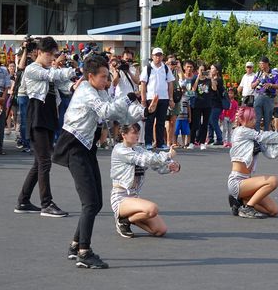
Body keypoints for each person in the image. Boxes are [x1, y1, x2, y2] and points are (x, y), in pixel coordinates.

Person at [53, 55, 158, 269]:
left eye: (107, 76)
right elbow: (107, 111)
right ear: (90, 76)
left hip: (87, 146)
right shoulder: (86, 91)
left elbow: (119, 114)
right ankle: (84, 252)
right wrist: (129, 98)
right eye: (103, 77)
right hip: (74, 146)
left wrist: (144, 111)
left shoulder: (100, 90)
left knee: (96, 202)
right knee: (90, 203)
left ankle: (75, 246)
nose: (106, 80)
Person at [15, 37, 76, 217]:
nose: (52, 58)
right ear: (39, 52)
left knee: (39, 162)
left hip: (48, 117)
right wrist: (72, 70)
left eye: (53, 55)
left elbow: (64, 86)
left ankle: (23, 201)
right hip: (37, 117)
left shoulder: (49, 69)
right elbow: (53, 76)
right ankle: (46, 204)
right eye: (49, 54)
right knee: (44, 162)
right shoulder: (32, 69)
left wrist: (75, 84)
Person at [110, 123, 180, 239]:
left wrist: (171, 166)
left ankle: (128, 219)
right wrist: (167, 155)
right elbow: (146, 160)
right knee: (152, 209)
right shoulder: (120, 150)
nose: (137, 135)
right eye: (133, 133)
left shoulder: (139, 149)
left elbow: (156, 165)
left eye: (138, 132)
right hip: (121, 198)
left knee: (160, 230)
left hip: (134, 197)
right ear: (124, 135)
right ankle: (123, 221)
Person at [227, 106, 278, 219]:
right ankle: (248, 208)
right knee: (273, 181)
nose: (254, 121)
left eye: (254, 118)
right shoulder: (240, 131)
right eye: (251, 119)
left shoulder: (253, 136)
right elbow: (264, 136)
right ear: (243, 120)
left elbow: (269, 152)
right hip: (237, 182)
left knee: (273, 211)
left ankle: (241, 202)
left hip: (247, 182)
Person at [140, 47, 175, 150]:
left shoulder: (166, 68)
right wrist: (143, 100)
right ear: (152, 56)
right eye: (156, 55)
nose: (158, 57)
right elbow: (143, 84)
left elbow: (170, 84)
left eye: (160, 55)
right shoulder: (148, 68)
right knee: (150, 121)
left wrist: (171, 98)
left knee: (161, 121)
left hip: (163, 98)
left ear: (162, 56)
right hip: (151, 98)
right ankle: (148, 143)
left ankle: (160, 143)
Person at [251, 56, 278, 131]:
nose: (261, 65)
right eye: (260, 64)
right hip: (258, 96)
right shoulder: (258, 73)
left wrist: (270, 85)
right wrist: (258, 80)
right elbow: (252, 86)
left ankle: (265, 137)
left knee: (267, 119)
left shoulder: (273, 73)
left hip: (269, 97)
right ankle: (256, 137)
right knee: (257, 118)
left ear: (267, 64)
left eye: (263, 63)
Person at [190, 64, 214, 150]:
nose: (202, 72)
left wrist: (211, 77)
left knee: (205, 124)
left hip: (207, 104)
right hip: (197, 104)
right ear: (197, 70)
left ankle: (202, 142)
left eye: (204, 70)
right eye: (201, 70)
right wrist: (198, 77)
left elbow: (214, 88)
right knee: (195, 123)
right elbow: (193, 89)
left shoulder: (208, 80)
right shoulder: (194, 78)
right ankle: (192, 142)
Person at [207, 63, 224, 145]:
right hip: (210, 103)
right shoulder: (212, 78)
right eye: (210, 68)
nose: (210, 70)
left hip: (217, 104)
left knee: (213, 120)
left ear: (217, 71)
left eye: (212, 68)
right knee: (209, 121)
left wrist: (211, 78)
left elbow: (214, 88)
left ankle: (220, 138)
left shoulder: (218, 79)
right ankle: (210, 138)